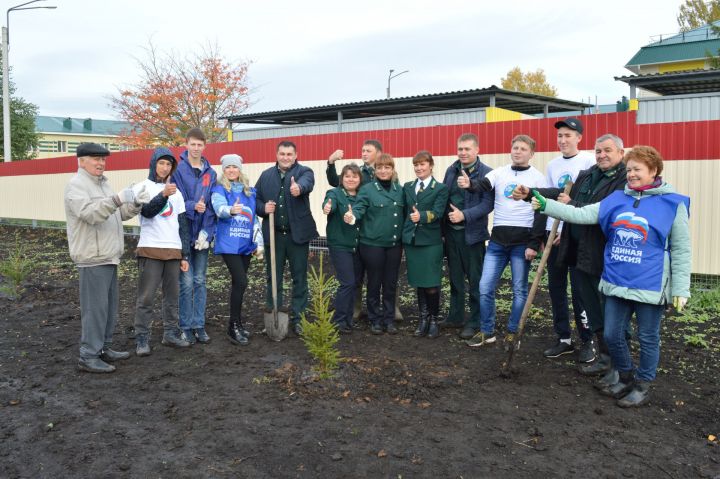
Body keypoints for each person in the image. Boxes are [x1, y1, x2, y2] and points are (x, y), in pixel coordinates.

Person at [531, 145, 690, 407]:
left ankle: (643, 383)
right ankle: (626, 375)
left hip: (650, 284)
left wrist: (680, 289)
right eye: (629, 170)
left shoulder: (672, 204)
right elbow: (580, 214)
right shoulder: (616, 199)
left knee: (648, 337)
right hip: (616, 280)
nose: (631, 174)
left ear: (653, 170)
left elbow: (682, 249)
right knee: (612, 334)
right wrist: (546, 205)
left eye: (637, 169)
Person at [514, 134, 628, 378]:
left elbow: (600, 211)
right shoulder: (588, 174)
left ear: (621, 152)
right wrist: (530, 193)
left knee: (606, 306)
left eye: (607, 150)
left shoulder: (624, 180)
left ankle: (618, 363)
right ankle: (605, 358)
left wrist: (571, 203)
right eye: (598, 151)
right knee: (590, 304)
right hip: (577, 249)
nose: (602, 155)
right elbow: (560, 192)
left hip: (603, 252)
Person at [64, 142, 150, 373]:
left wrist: (136, 204)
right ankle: (88, 356)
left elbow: (117, 214)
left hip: (108, 255)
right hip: (93, 257)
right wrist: (117, 199)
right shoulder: (77, 186)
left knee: (109, 308)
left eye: (103, 159)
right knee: (95, 310)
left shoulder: (102, 184)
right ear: (81, 160)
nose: (101, 163)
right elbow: (91, 214)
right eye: (95, 158)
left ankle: (104, 348)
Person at [458, 135, 546, 349]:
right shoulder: (498, 173)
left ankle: (512, 333)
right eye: (515, 147)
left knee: (519, 290)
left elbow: (542, 212)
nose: (517, 151)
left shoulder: (538, 178)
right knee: (485, 286)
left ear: (531, 154)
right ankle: (487, 332)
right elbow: (481, 186)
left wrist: (534, 244)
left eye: (523, 149)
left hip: (521, 243)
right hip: (497, 242)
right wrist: (470, 184)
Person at [327, 140, 404, 323]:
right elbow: (336, 182)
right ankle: (356, 307)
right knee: (359, 273)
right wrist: (331, 163)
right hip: (360, 232)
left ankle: (391, 308)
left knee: (388, 275)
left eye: (368, 151)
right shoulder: (359, 173)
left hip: (379, 232)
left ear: (379, 153)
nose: (363, 153)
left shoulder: (389, 175)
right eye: (362, 150)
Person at [541, 118, 595, 361]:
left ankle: (588, 339)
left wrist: (567, 229)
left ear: (579, 138)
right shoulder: (552, 165)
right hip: (553, 236)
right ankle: (563, 337)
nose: (563, 140)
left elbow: (590, 202)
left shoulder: (589, 163)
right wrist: (543, 234)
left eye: (568, 135)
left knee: (580, 290)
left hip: (576, 236)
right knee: (556, 288)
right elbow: (550, 201)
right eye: (560, 135)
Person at [133, 148, 193, 356]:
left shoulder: (177, 192)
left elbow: (182, 224)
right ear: (153, 164)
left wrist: (184, 254)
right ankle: (141, 338)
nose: (165, 167)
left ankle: (170, 333)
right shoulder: (143, 187)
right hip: (150, 249)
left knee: (172, 297)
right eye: (161, 163)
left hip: (173, 250)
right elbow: (147, 212)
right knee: (146, 297)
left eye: (169, 165)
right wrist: (163, 195)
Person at [255, 140, 318, 336]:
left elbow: (307, 184)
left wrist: (298, 188)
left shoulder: (304, 172)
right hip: (274, 236)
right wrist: (263, 208)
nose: (285, 157)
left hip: (296, 237)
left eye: (289, 154)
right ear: (277, 155)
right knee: (273, 277)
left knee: (299, 278)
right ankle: (274, 313)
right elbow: (255, 199)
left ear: (295, 155)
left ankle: (299, 318)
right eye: (282, 154)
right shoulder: (266, 176)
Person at [344, 153, 404, 335]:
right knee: (375, 281)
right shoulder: (367, 189)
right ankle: (375, 319)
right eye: (379, 167)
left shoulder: (399, 190)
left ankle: (389, 318)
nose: (383, 171)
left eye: (387, 167)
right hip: (372, 244)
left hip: (394, 244)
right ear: (375, 170)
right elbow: (360, 208)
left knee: (390, 282)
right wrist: (352, 215)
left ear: (392, 169)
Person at [441, 133, 494, 340]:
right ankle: (455, 316)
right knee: (455, 278)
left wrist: (464, 215)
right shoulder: (451, 170)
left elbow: (487, 204)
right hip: (451, 235)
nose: (463, 152)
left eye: (467, 149)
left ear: (477, 150)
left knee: (475, 280)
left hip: (472, 235)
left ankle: (474, 321)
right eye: (460, 149)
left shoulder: (486, 173)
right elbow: (445, 195)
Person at [211, 154, 264, 346]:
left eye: (235, 167)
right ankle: (232, 326)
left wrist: (259, 242)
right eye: (228, 167)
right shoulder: (219, 189)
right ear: (223, 170)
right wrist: (230, 210)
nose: (231, 170)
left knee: (238, 284)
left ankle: (238, 324)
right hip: (229, 243)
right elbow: (218, 208)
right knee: (241, 281)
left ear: (240, 169)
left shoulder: (249, 190)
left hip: (245, 243)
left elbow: (255, 219)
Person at [171, 127, 217, 344]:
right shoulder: (178, 170)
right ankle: (185, 325)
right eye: (193, 144)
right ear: (186, 144)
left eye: (200, 145)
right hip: (184, 231)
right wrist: (192, 205)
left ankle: (199, 324)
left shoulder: (211, 173)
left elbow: (212, 205)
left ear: (204, 146)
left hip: (202, 235)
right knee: (186, 282)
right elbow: (177, 200)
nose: (196, 148)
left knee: (200, 280)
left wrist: (207, 233)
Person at [402, 151, 449, 339]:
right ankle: (423, 319)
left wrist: (420, 216)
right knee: (419, 284)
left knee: (431, 284)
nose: (419, 168)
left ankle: (434, 320)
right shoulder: (407, 187)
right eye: (416, 165)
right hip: (413, 241)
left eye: (423, 164)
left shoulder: (440, 188)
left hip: (430, 242)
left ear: (431, 166)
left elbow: (438, 212)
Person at [322, 164, 362, 334]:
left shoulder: (362, 196)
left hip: (358, 245)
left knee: (354, 283)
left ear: (360, 179)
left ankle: (348, 319)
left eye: (354, 176)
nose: (350, 179)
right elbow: (330, 203)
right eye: (347, 176)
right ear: (341, 179)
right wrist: (327, 207)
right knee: (347, 282)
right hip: (340, 245)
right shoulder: (336, 193)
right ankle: (339, 320)